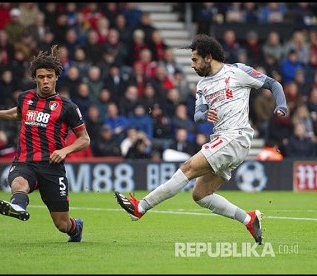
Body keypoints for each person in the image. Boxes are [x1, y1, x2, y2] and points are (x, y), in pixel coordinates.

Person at [114, 34, 288, 245]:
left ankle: (140, 207)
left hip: (236, 136)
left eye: (195, 59)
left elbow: (274, 84)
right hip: (224, 140)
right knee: (201, 195)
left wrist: (281, 105)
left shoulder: (237, 71)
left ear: (208, 57)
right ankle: (248, 219)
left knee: (188, 167)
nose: (192, 64)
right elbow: (197, 115)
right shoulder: (202, 85)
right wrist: (205, 114)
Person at [0, 45, 91, 242]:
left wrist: (65, 151)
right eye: (41, 76)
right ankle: (18, 206)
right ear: (35, 77)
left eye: (49, 76)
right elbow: (18, 113)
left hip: (52, 167)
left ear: (56, 77)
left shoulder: (68, 107)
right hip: (25, 161)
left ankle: (76, 228)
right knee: (19, 183)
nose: (45, 81)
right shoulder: (25, 98)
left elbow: (85, 139)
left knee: (62, 224)